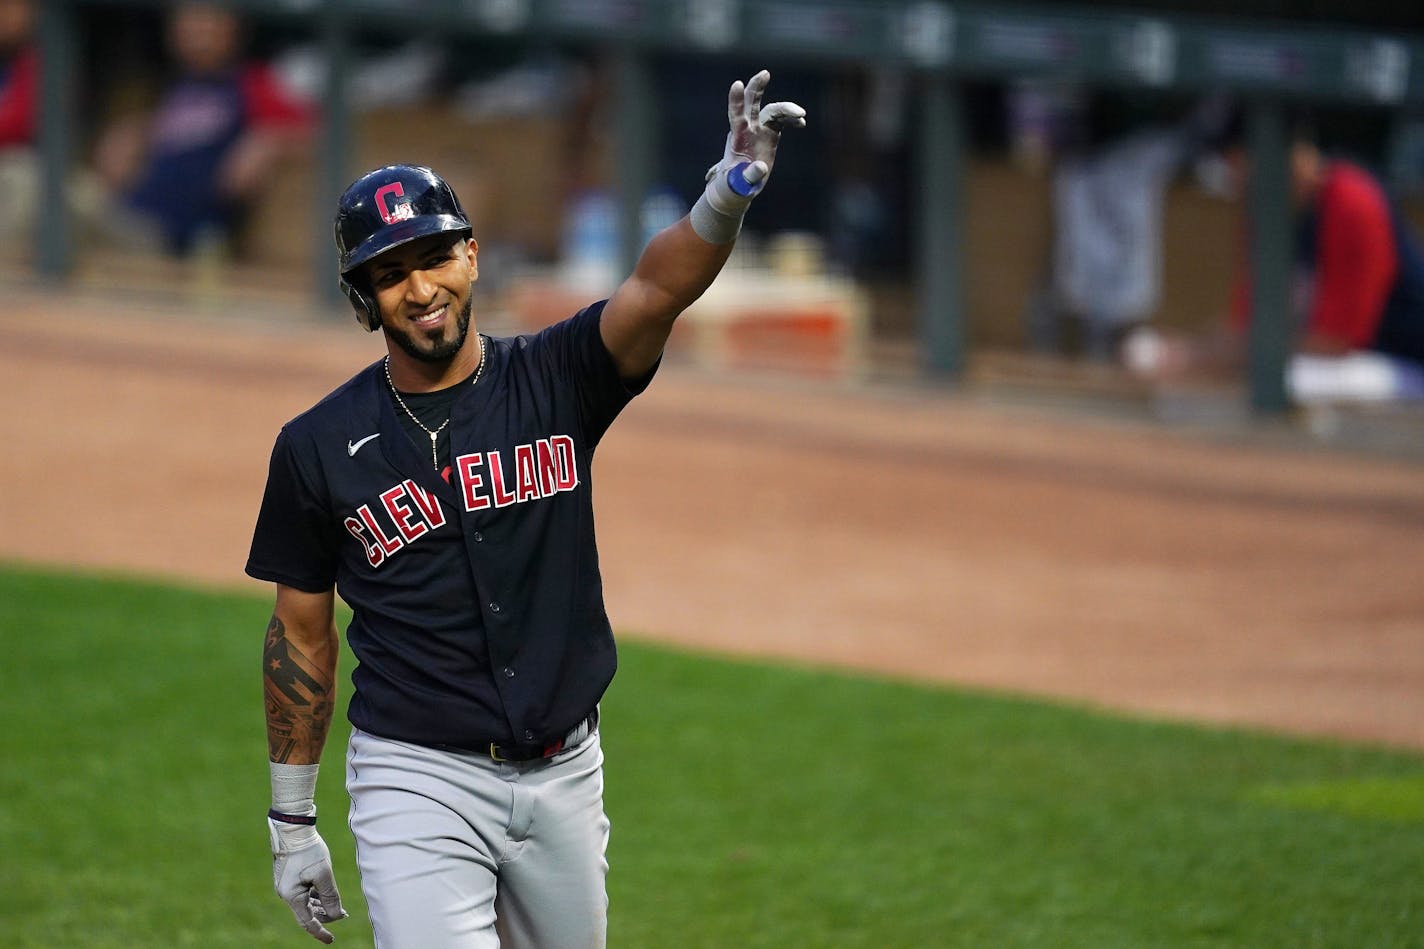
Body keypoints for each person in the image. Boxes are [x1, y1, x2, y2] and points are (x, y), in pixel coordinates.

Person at [246, 71, 804, 947]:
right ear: (363, 299)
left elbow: (655, 292)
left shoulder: (559, 377)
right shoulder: (316, 447)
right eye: (389, 274)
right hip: (414, 775)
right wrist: (290, 820)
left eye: (432, 256)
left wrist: (724, 198)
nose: (419, 287)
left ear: (470, 253)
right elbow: (300, 636)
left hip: (566, 773)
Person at [1125, 121, 1424, 402]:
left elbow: (1338, 343)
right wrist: (1187, 351)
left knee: (1283, 378)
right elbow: (1246, 323)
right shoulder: (1269, 212)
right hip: (1343, 365)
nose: (1242, 186)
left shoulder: (1352, 199)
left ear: (1295, 157)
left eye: (1245, 171)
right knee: (1261, 373)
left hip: (1403, 363)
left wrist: (1207, 356)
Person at [93, 1, 312, 257]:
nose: (197, 32)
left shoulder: (254, 82)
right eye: (188, 20)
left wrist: (269, 142)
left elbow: (320, 132)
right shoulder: (175, 86)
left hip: (183, 234)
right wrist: (137, 133)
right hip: (132, 214)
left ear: (235, 27)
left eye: (207, 20)